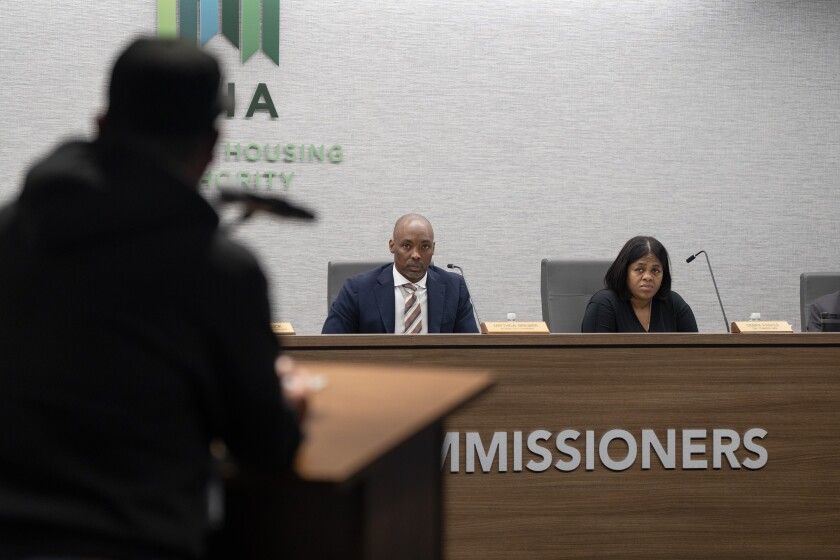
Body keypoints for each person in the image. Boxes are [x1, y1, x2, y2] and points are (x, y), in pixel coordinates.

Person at [0, 38, 302, 559]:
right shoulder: (220, 269)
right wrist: (283, 403)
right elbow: (265, 448)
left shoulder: (9, 233)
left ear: (100, 125)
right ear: (211, 143)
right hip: (136, 540)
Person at [322, 214, 479, 334]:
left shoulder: (455, 288)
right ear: (392, 246)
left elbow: (471, 349)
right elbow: (330, 345)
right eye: (406, 245)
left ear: (433, 249)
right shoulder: (357, 289)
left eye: (425, 247)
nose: (416, 255)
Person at [581, 236, 698, 333]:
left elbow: (696, 352)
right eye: (639, 269)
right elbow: (595, 358)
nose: (648, 277)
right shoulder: (604, 304)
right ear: (624, 271)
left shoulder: (673, 303)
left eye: (655, 270)